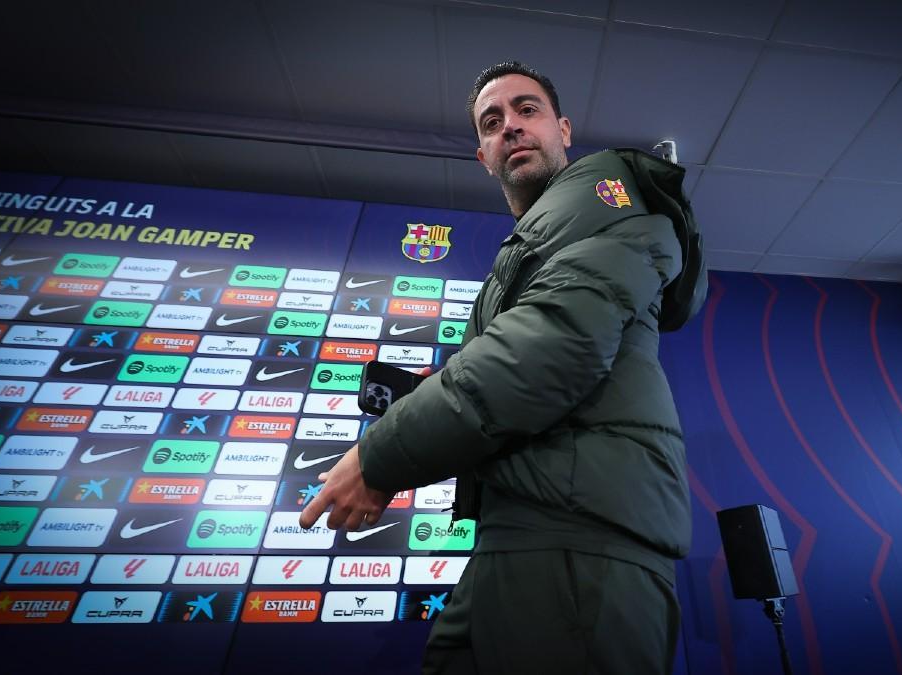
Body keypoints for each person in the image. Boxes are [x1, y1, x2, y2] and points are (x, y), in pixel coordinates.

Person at [300, 61, 705, 674]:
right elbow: (523, 355)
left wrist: (378, 455)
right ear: (482, 154)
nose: (511, 126)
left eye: (527, 110)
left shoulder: (612, 207)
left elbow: (547, 352)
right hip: (522, 534)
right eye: (493, 122)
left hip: (577, 545)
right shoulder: (539, 244)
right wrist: (434, 389)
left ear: (563, 129)